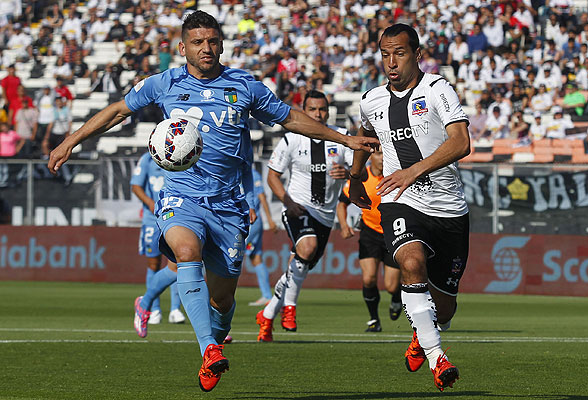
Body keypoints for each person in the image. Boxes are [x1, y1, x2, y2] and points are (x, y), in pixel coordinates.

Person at [47, 10, 377, 393]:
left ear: (221, 44)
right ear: (182, 48)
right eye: (197, 42)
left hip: (229, 206)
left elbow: (289, 118)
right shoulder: (164, 83)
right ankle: (208, 348)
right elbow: (118, 111)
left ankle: (214, 342)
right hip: (180, 196)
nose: (206, 48)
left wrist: (345, 139)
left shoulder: (244, 86)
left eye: (212, 41)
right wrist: (71, 141)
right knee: (186, 252)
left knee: (222, 299)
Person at [348, 23, 470, 392]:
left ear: (416, 55)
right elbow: (365, 135)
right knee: (411, 263)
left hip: (448, 208)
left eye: (399, 53)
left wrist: (414, 170)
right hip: (400, 200)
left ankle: (423, 333)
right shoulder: (371, 100)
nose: (391, 62)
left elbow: (461, 142)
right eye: (385, 55)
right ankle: (437, 357)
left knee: (444, 310)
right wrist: (355, 177)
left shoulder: (437, 89)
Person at [256, 90, 354, 342]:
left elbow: (361, 173)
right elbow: (272, 176)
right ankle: (289, 309)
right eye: (312, 109)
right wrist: (288, 203)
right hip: (298, 207)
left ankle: (267, 315)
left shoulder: (341, 137)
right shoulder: (292, 139)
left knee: (298, 266)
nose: (318, 114)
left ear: (328, 112)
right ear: (303, 111)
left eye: (322, 109)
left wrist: (349, 174)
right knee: (307, 248)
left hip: (325, 216)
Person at [337, 149, 401, 333]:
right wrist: (343, 225)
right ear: (371, 156)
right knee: (368, 278)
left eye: (385, 153)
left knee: (391, 286)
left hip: (393, 233)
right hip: (369, 232)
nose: (382, 158)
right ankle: (374, 320)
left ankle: (396, 298)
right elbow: (342, 203)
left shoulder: (395, 175)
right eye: (379, 154)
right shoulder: (362, 176)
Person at [130, 152, 185, 325]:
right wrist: (150, 203)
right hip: (152, 219)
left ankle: (175, 309)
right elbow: (136, 186)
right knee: (153, 263)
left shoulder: (182, 154)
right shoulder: (147, 158)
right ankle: (154, 309)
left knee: (177, 261)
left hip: (175, 216)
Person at [246, 166, 278, 306]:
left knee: (232, 251)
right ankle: (267, 296)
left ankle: (218, 293)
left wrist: (270, 219)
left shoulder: (252, 174)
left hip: (251, 222)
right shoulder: (238, 172)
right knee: (255, 257)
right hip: (252, 222)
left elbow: (262, 196)